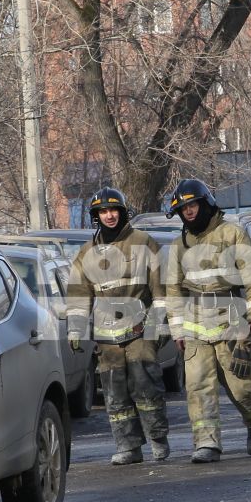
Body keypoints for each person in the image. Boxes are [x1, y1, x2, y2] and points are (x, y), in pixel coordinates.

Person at [162, 178, 251, 463]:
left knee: (240, 386)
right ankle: (206, 443)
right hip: (195, 325)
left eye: (193, 205)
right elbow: (172, 289)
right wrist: (177, 328)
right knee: (198, 386)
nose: (189, 212)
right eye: (184, 209)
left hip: (231, 321)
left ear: (205, 203)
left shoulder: (231, 233)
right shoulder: (178, 246)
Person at [65, 187, 169, 465]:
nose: (109, 216)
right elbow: (78, 294)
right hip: (107, 335)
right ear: (96, 216)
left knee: (146, 386)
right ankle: (128, 446)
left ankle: (158, 440)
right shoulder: (87, 252)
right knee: (115, 392)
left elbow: (161, 288)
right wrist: (75, 329)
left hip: (140, 328)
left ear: (123, 212)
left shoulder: (143, 242)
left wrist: (158, 325)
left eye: (114, 210)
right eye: (103, 211)